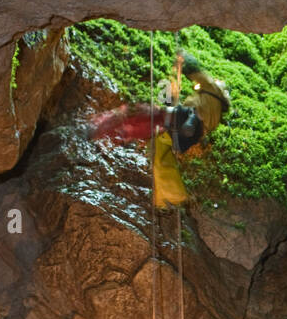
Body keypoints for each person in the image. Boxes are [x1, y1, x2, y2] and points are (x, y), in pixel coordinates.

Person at [89, 51, 230, 206]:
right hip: (188, 134)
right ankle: (170, 197)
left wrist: (181, 58)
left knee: (140, 113)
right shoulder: (213, 108)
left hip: (185, 121)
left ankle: (100, 129)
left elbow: (195, 70)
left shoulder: (213, 88)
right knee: (157, 146)